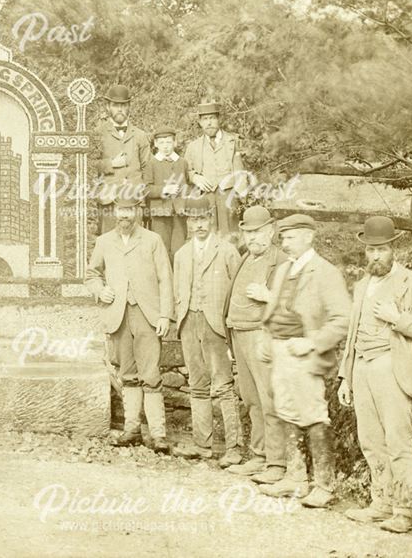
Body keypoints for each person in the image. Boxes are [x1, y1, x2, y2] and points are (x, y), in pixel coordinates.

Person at [338, 216, 412, 533]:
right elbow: (352, 333)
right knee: (370, 441)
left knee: (398, 441)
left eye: (381, 249)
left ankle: (405, 510)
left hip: (392, 367)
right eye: (370, 250)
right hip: (362, 367)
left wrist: (398, 319)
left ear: (393, 248)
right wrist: (346, 376)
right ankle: (381, 504)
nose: (375, 256)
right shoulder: (361, 286)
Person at [257, 214, 350, 508]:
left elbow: (342, 319)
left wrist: (311, 342)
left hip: (306, 355)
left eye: (291, 237)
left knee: (312, 415)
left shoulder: (325, 272)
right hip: (281, 350)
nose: (285, 242)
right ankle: (296, 480)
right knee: (286, 410)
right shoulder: (285, 268)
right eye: (283, 237)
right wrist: (266, 337)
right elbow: (273, 309)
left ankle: (324, 485)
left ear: (309, 237)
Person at [86, 196, 173, 453]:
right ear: (114, 211)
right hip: (119, 315)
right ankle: (132, 429)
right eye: (120, 210)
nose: (124, 215)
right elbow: (92, 274)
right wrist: (100, 291)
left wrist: (165, 315)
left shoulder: (152, 240)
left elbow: (165, 279)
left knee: (151, 374)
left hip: (147, 314)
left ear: (137, 211)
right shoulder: (104, 242)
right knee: (128, 374)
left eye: (129, 210)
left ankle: (158, 434)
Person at [222, 206, 294, 484]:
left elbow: (297, 303)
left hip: (262, 336)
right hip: (239, 335)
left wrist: (269, 295)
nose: (252, 238)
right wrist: (230, 337)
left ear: (271, 231)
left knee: (269, 399)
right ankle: (259, 456)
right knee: (251, 399)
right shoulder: (244, 258)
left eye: (258, 232)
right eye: (248, 232)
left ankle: (277, 463)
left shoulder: (282, 261)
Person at [171, 197, 242, 465]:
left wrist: (230, 327)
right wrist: (181, 317)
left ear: (211, 218)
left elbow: (235, 292)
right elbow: (180, 290)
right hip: (189, 322)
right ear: (188, 222)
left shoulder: (226, 251)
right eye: (193, 219)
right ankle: (203, 444)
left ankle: (234, 447)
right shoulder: (181, 255)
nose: (198, 225)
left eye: (202, 219)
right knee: (197, 385)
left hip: (216, 325)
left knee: (223, 385)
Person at [183, 101, 250, 234]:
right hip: (205, 197)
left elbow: (240, 172)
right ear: (200, 122)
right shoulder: (193, 146)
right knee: (208, 232)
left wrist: (242, 197)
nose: (209, 123)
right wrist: (195, 177)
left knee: (231, 234)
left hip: (228, 195)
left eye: (212, 118)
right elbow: (185, 170)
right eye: (205, 119)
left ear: (219, 119)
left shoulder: (232, 141)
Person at [95, 84, 151, 233]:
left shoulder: (140, 135)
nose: (120, 109)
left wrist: (143, 199)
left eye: (123, 105)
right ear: (108, 107)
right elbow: (88, 166)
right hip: (109, 200)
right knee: (109, 245)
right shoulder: (98, 134)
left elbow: (147, 168)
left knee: (136, 243)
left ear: (129, 107)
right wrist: (111, 163)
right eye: (115, 105)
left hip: (135, 200)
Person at [143, 125, 188, 258]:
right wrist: (164, 190)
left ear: (175, 142)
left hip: (179, 213)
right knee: (162, 250)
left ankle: (179, 277)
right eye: (161, 142)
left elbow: (188, 185)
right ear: (156, 144)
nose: (165, 146)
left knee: (179, 250)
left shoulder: (182, 162)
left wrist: (184, 204)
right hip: (160, 213)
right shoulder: (151, 164)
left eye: (168, 142)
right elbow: (146, 189)